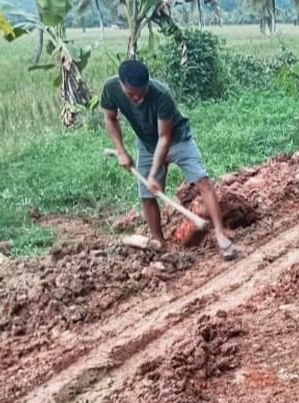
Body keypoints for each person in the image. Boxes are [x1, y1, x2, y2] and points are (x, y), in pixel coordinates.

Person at [101, 59, 236, 260]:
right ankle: (159, 242)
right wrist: (121, 151)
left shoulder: (161, 94)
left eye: (141, 93)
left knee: (202, 180)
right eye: (132, 94)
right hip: (147, 144)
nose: (138, 99)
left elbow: (165, 138)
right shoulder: (111, 88)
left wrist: (154, 173)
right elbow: (110, 118)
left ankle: (219, 233)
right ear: (121, 84)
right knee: (147, 196)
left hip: (177, 138)